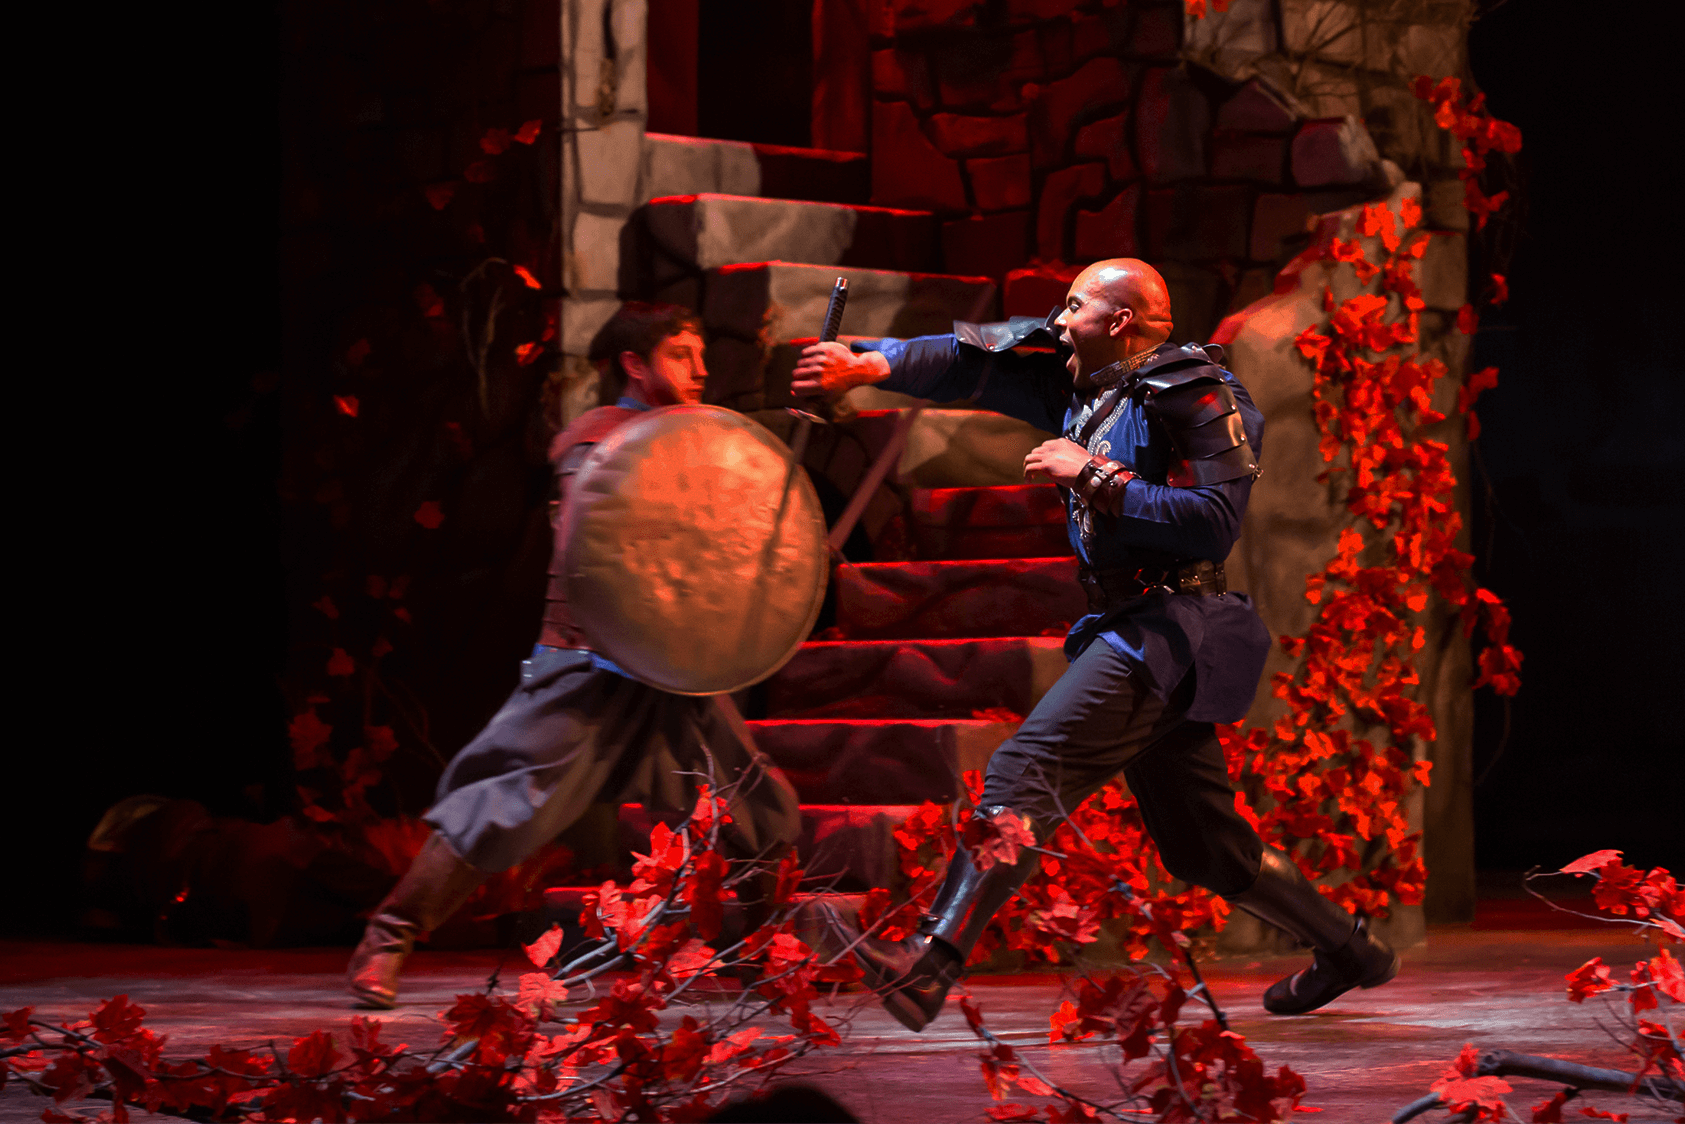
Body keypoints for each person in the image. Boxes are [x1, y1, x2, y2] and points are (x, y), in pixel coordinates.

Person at [791, 259, 1397, 1031]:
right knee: (1206, 850)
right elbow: (973, 363)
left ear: (1120, 321)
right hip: (1129, 626)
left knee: (1025, 769)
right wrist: (870, 364)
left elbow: (1214, 522)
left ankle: (929, 963)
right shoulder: (1082, 386)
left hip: (1171, 627)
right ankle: (1350, 950)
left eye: (1074, 306)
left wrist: (1093, 475)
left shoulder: (1198, 392)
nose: (1058, 318)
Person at [345, 302, 802, 1008]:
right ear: (635, 364)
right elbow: (601, 546)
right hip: (589, 664)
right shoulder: (598, 442)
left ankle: (754, 950)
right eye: (681, 354)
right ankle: (388, 936)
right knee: (502, 804)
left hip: (672, 670)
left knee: (756, 805)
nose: (701, 369)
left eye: (701, 353)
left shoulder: (700, 438)